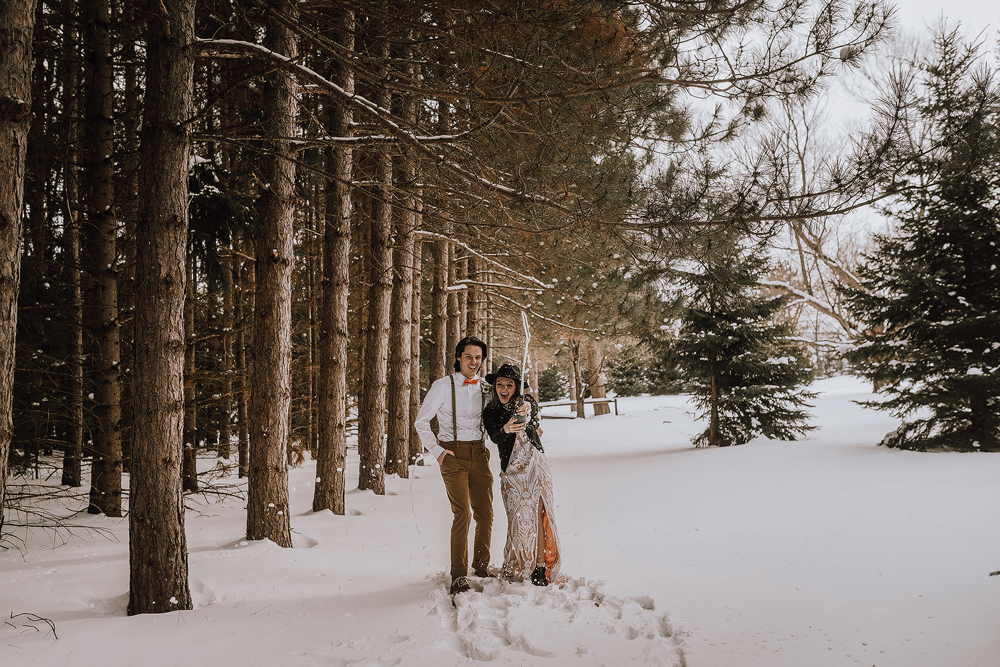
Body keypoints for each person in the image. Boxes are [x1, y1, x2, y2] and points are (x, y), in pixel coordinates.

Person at [414, 336, 494, 596]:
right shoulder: (442, 386)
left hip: (480, 454)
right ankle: (458, 575)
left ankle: (481, 566)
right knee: (463, 514)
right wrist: (437, 451)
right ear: (459, 357)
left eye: (478, 357)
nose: (474, 362)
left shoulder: (485, 387)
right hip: (453, 454)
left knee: (485, 513)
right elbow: (421, 422)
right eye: (469, 356)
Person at [483, 363, 562, 586]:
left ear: (517, 387)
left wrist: (527, 410)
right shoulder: (491, 411)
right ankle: (519, 564)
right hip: (512, 469)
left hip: (535, 463)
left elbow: (534, 414)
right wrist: (506, 429)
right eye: (500, 384)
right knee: (518, 517)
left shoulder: (525, 403)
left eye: (509, 384)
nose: (504, 388)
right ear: (495, 387)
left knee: (538, 514)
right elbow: (495, 438)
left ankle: (539, 567)